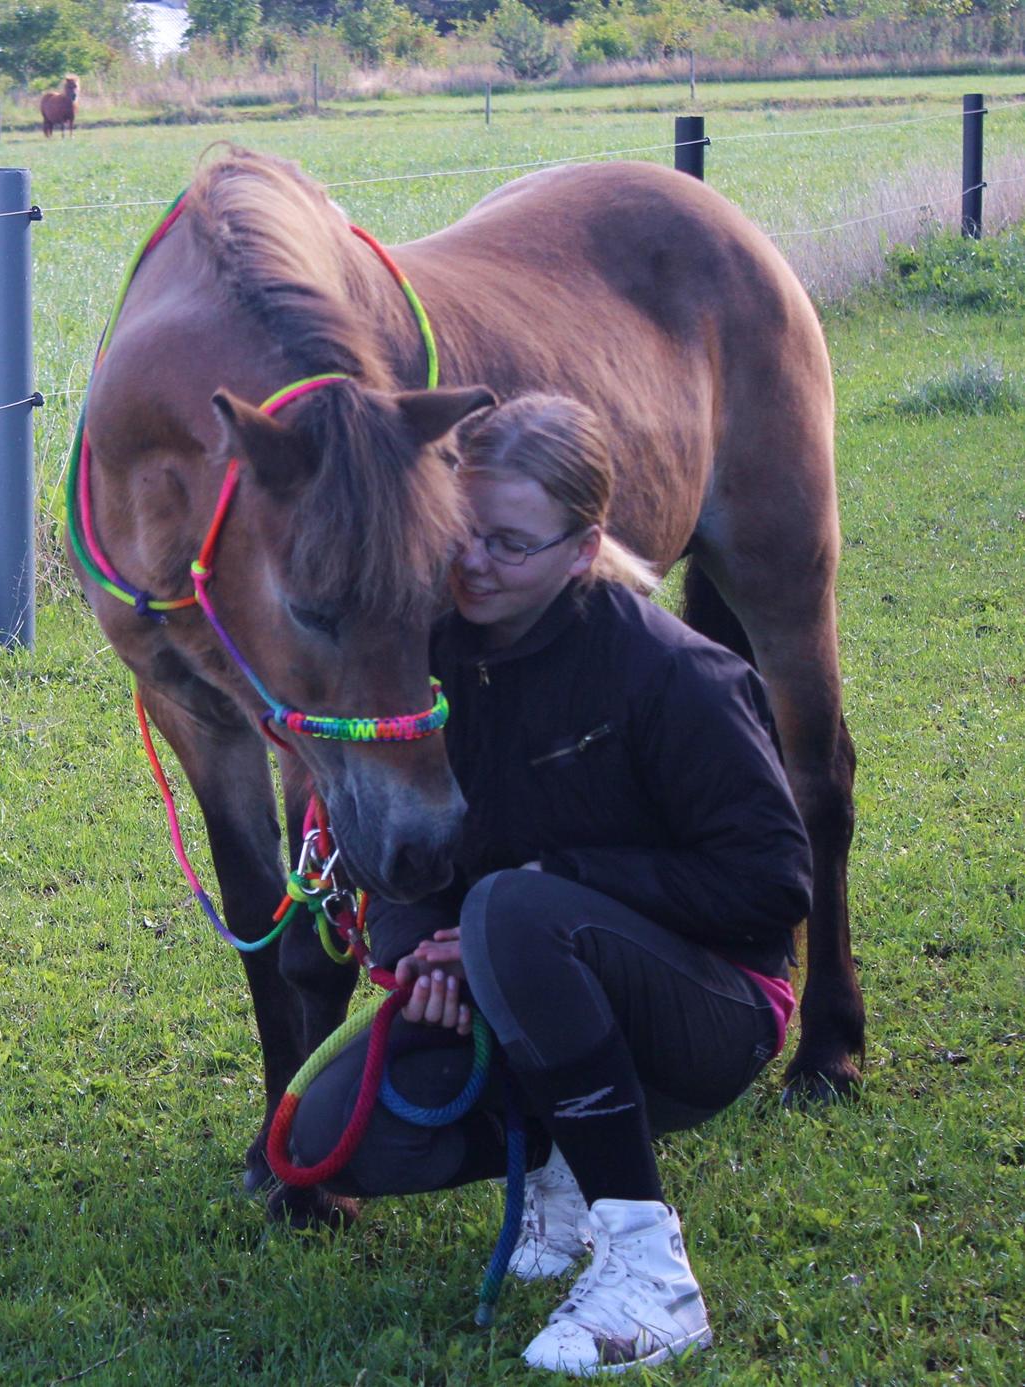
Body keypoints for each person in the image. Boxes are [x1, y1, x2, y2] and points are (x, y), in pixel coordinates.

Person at [289, 393, 812, 1375]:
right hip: (527, 962)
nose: (474, 561)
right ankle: (564, 1162)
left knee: (515, 911)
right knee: (338, 1138)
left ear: (584, 548)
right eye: (461, 531)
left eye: (510, 542)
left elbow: (772, 883)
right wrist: (422, 954)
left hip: (715, 1001)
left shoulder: (675, 676)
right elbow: (417, 852)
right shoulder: (431, 658)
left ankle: (650, 1275)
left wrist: (543, 892)